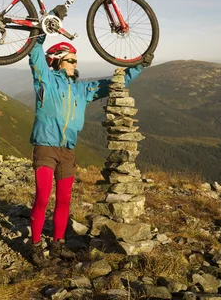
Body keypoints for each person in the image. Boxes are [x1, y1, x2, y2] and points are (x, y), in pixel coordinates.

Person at [28, 35, 152, 267]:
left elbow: (116, 83)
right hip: (45, 146)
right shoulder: (45, 79)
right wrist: (40, 34)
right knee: (43, 198)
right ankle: (35, 246)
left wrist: (139, 66)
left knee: (64, 200)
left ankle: (58, 245)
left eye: (76, 60)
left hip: (68, 150)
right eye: (71, 60)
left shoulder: (82, 89)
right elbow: (34, 54)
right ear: (57, 61)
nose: (76, 64)